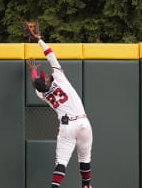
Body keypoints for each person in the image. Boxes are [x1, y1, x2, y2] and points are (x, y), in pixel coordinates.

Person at [25, 30, 93, 188]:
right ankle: (86, 185)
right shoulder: (60, 79)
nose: (46, 75)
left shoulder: (42, 94)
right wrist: (39, 41)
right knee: (84, 158)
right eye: (45, 77)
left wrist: (32, 71)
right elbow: (50, 55)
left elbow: (36, 84)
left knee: (61, 162)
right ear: (47, 81)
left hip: (67, 127)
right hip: (82, 122)